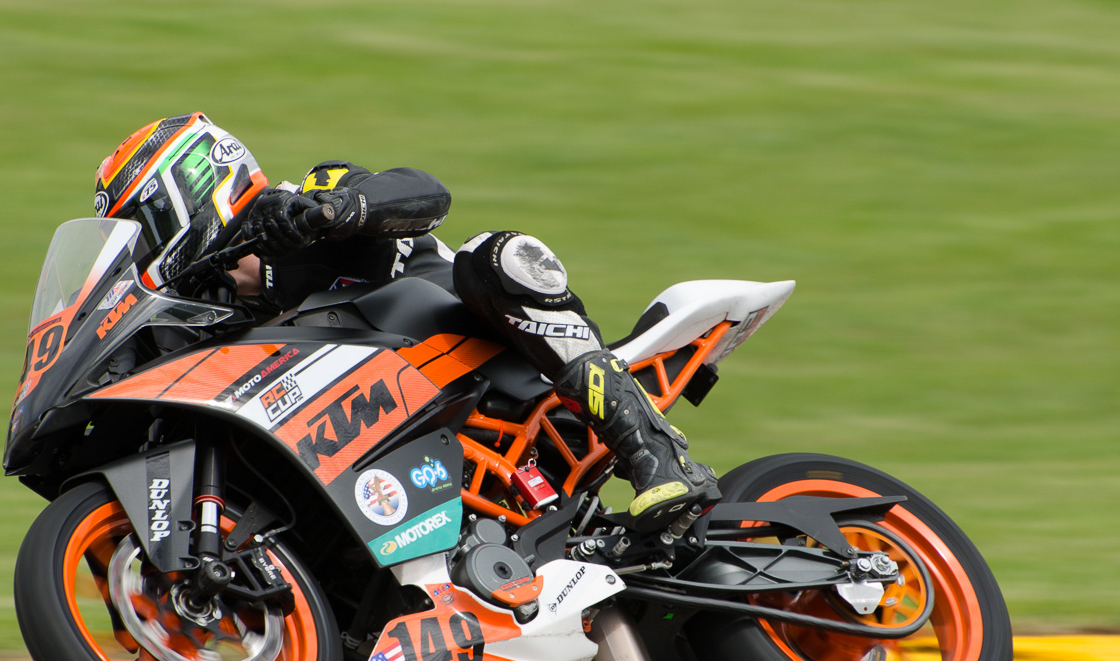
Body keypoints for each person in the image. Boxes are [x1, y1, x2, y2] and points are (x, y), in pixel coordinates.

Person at [93, 112, 718, 532]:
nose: (143, 249)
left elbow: (426, 192)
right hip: (404, 451)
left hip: (500, 368)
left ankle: (656, 454)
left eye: (143, 228)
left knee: (493, 254)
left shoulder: (311, 198)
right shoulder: (207, 324)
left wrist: (334, 209)